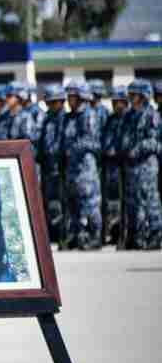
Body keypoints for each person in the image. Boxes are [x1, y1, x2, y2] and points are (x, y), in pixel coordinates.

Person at [119, 80, 161, 250]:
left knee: (149, 201)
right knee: (133, 203)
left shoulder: (151, 115)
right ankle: (137, 236)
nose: (130, 98)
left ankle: (155, 235)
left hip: (146, 165)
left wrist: (138, 148)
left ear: (143, 96)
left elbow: (154, 141)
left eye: (133, 95)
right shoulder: (129, 115)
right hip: (131, 166)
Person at [61, 81, 102, 250]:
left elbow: (92, 141)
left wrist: (73, 148)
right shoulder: (68, 117)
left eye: (73, 97)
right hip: (71, 169)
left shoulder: (88, 115)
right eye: (69, 97)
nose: (69, 100)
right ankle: (79, 236)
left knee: (90, 203)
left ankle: (95, 236)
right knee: (74, 204)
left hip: (85, 168)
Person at [36, 84, 68, 244]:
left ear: (62, 102)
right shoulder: (46, 119)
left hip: (62, 169)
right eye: (48, 103)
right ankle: (53, 235)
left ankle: (63, 235)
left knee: (61, 204)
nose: (51, 106)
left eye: (54, 102)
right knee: (49, 204)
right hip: (48, 168)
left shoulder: (66, 119)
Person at [100, 86, 128, 245]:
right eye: (114, 101)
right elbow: (105, 140)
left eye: (120, 101)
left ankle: (124, 234)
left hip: (125, 165)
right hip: (110, 167)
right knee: (111, 202)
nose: (117, 104)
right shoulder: (110, 119)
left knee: (124, 202)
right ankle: (112, 233)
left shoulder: (129, 118)